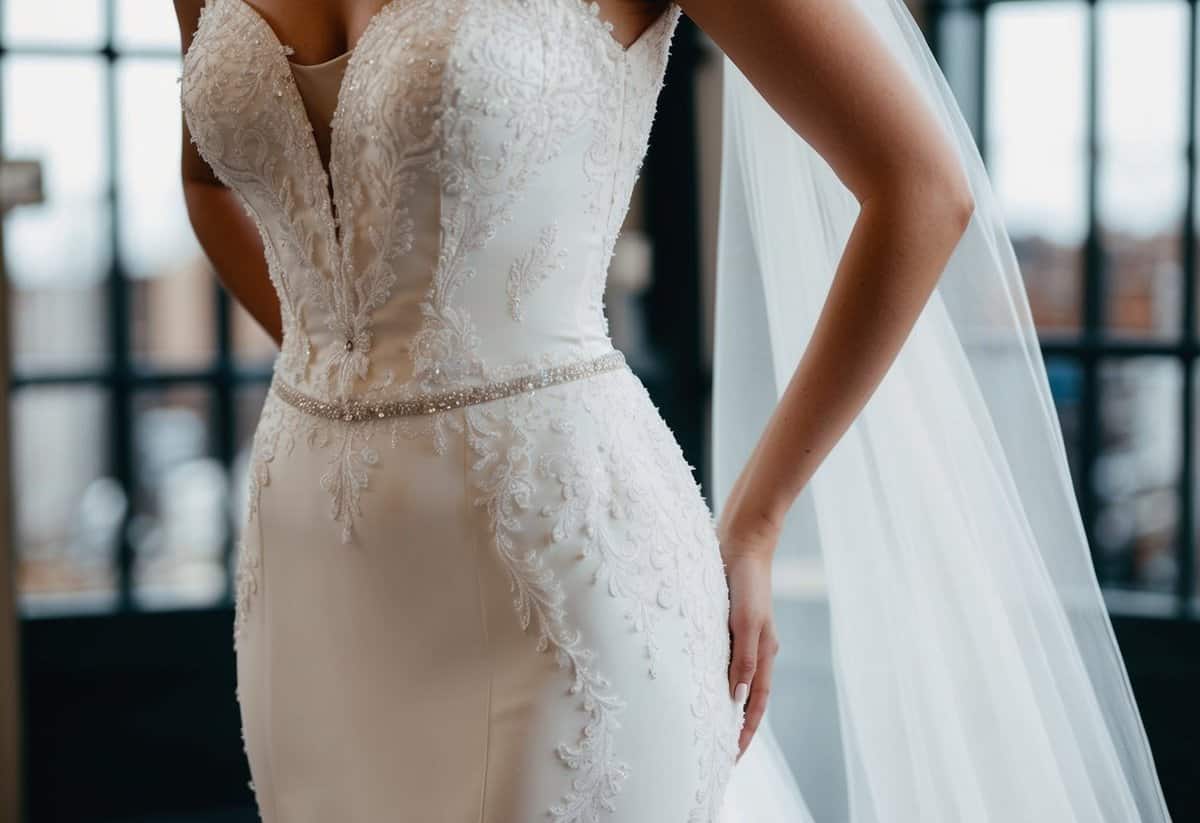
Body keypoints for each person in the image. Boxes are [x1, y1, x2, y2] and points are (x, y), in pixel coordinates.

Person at [174, 0, 1170, 820]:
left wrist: (761, 516)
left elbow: (920, 189)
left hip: (556, 568)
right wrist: (350, 358)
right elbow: (206, 177)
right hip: (310, 577)